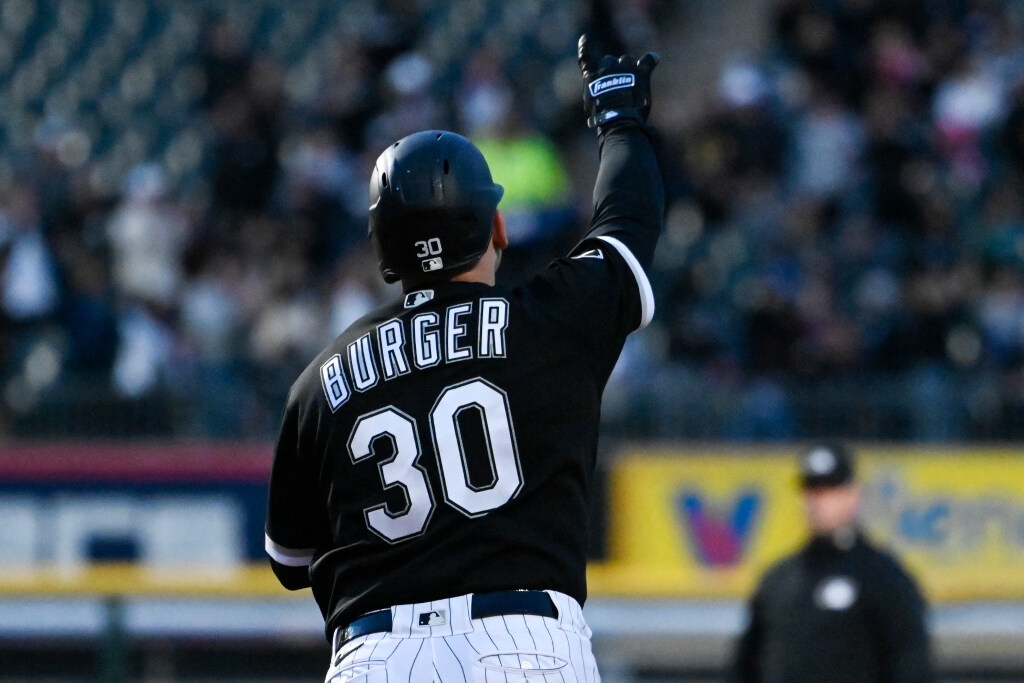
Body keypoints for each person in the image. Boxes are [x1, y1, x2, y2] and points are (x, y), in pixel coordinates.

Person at [264, 34, 662, 682]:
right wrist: (620, 122)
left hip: (375, 654)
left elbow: (290, 560)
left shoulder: (320, 381)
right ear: (496, 227)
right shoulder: (548, 319)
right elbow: (628, 224)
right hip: (523, 643)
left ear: (381, 246)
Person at [731, 443, 933, 683]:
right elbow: (746, 665)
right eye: (812, 491)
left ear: (853, 495)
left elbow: (910, 665)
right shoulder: (780, 581)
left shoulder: (882, 578)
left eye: (830, 490)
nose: (819, 501)